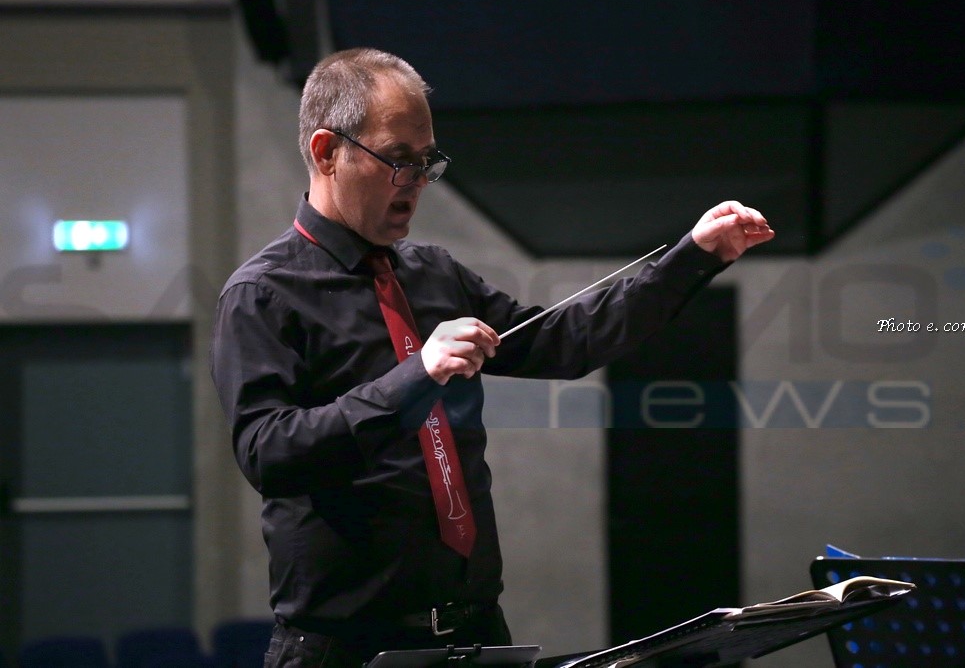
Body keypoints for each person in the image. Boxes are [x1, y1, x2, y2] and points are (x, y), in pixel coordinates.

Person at [210, 47, 773, 668]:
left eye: (427, 162)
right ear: (326, 152)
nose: (416, 182)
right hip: (346, 648)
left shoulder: (433, 274)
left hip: (474, 633)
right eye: (398, 160)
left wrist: (693, 257)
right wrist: (415, 375)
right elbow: (269, 454)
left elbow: (567, 340)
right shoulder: (263, 293)